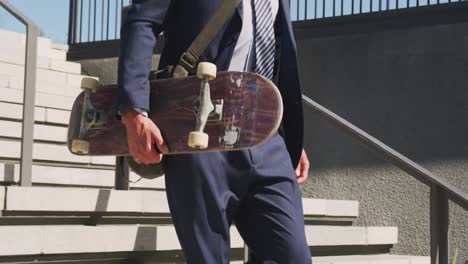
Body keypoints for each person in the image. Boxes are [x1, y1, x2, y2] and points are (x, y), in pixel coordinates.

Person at [116, 0, 311, 263]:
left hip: (265, 138)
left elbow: (274, 53)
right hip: (200, 132)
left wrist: (285, 133)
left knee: (292, 256)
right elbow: (142, 21)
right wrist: (134, 111)